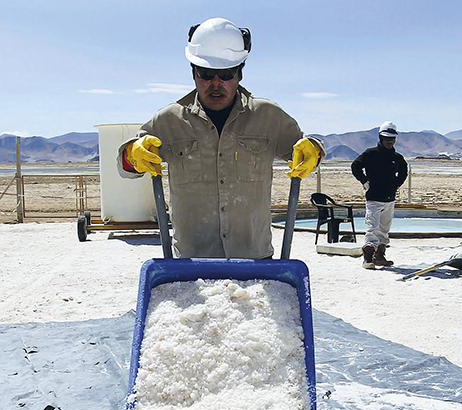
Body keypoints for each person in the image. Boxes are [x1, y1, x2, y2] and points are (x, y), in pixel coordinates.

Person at [117, 17, 324, 259]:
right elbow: (125, 168)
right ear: (193, 73)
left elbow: (305, 150)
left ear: (240, 74)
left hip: (254, 260)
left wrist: (315, 150)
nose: (216, 83)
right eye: (206, 73)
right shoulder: (168, 120)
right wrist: (131, 154)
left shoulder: (270, 117)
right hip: (190, 262)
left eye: (226, 74)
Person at [351, 121, 408, 269]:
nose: (389, 141)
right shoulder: (371, 154)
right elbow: (355, 166)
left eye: (392, 139)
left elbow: (404, 171)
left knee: (384, 229)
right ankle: (368, 258)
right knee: (372, 227)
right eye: (386, 138)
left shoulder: (397, 157)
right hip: (374, 198)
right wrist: (364, 181)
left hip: (389, 198)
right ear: (380, 138)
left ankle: (380, 256)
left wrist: (396, 184)